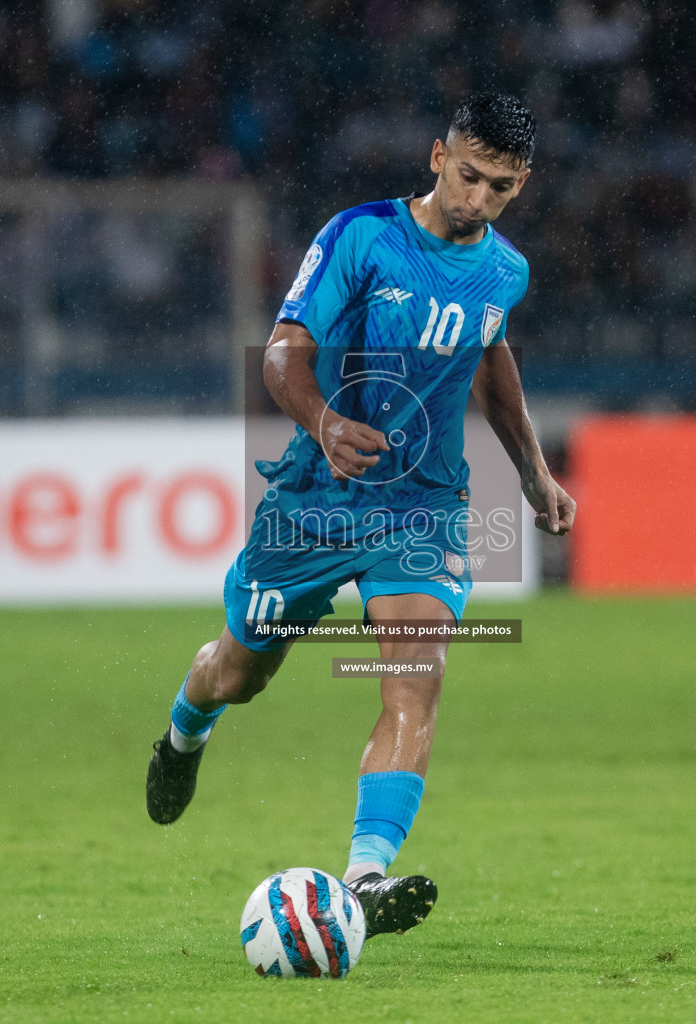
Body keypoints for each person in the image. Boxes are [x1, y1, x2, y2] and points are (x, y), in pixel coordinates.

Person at [145, 93, 575, 938]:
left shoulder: (506, 272)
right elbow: (283, 352)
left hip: (424, 505)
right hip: (317, 498)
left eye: (498, 185)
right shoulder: (361, 236)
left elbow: (488, 356)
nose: (477, 198)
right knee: (241, 673)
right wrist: (323, 422)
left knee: (418, 676)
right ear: (435, 156)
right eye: (466, 175)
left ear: (520, 185)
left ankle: (366, 877)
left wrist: (532, 471)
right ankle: (182, 733)